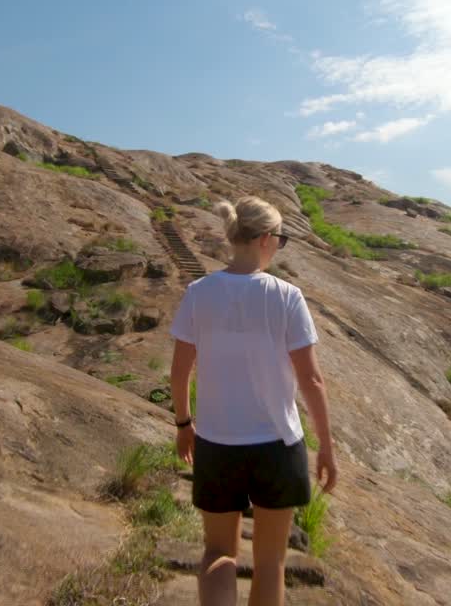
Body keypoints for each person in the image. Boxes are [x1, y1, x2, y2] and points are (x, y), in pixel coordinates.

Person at [169, 195, 337, 606]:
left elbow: (179, 371)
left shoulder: (199, 293)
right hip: (279, 446)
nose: (280, 245)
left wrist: (183, 425)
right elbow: (311, 380)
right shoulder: (286, 297)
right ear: (265, 238)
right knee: (270, 563)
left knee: (218, 553)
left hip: (217, 442)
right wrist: (327, 448)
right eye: (281, 237)